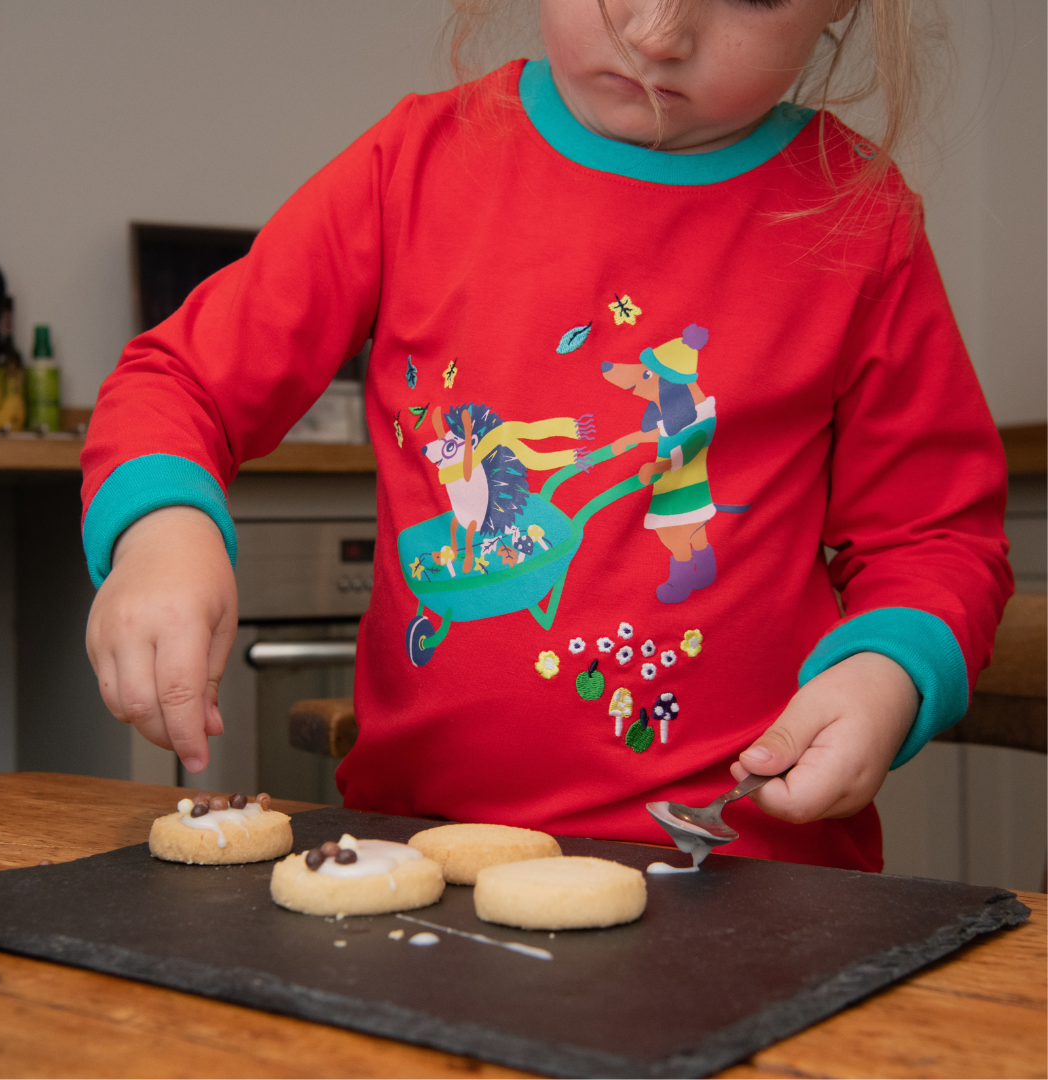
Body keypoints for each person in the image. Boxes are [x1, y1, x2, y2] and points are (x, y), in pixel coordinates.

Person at [82, 0, 1011, 872]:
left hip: (745, 868)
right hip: (415, 853)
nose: (658, 32)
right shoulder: (410, 166)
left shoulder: (858, 216)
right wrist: (161, 533)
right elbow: (181, 382)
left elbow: (936, 539)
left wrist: (889, 671)